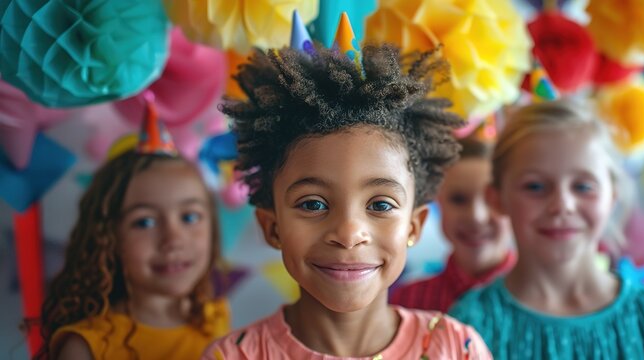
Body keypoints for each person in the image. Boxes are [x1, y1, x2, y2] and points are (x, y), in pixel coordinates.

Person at [202, 39, 491, 359]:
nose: (349, 233)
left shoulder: (456, 349)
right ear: (272, 228)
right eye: (313, 203)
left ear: (413, 227)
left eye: (380, 205)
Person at [449, 99, 644, 359]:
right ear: (496, 198)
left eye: (583, 187)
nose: (562, 205)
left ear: (612, 196)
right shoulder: (470, 328)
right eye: (535, 187)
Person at [37, 99, 229, 360]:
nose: (173, 239)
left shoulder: (215, 318)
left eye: (189, 217)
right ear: (108, 237)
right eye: (145, 222)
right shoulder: (86, 347)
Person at [391, 135, 515, 312]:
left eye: (491, 200)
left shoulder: (546, 298)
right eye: (458, 199)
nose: (476, 216)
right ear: (438, 203)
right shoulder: (409, 301)